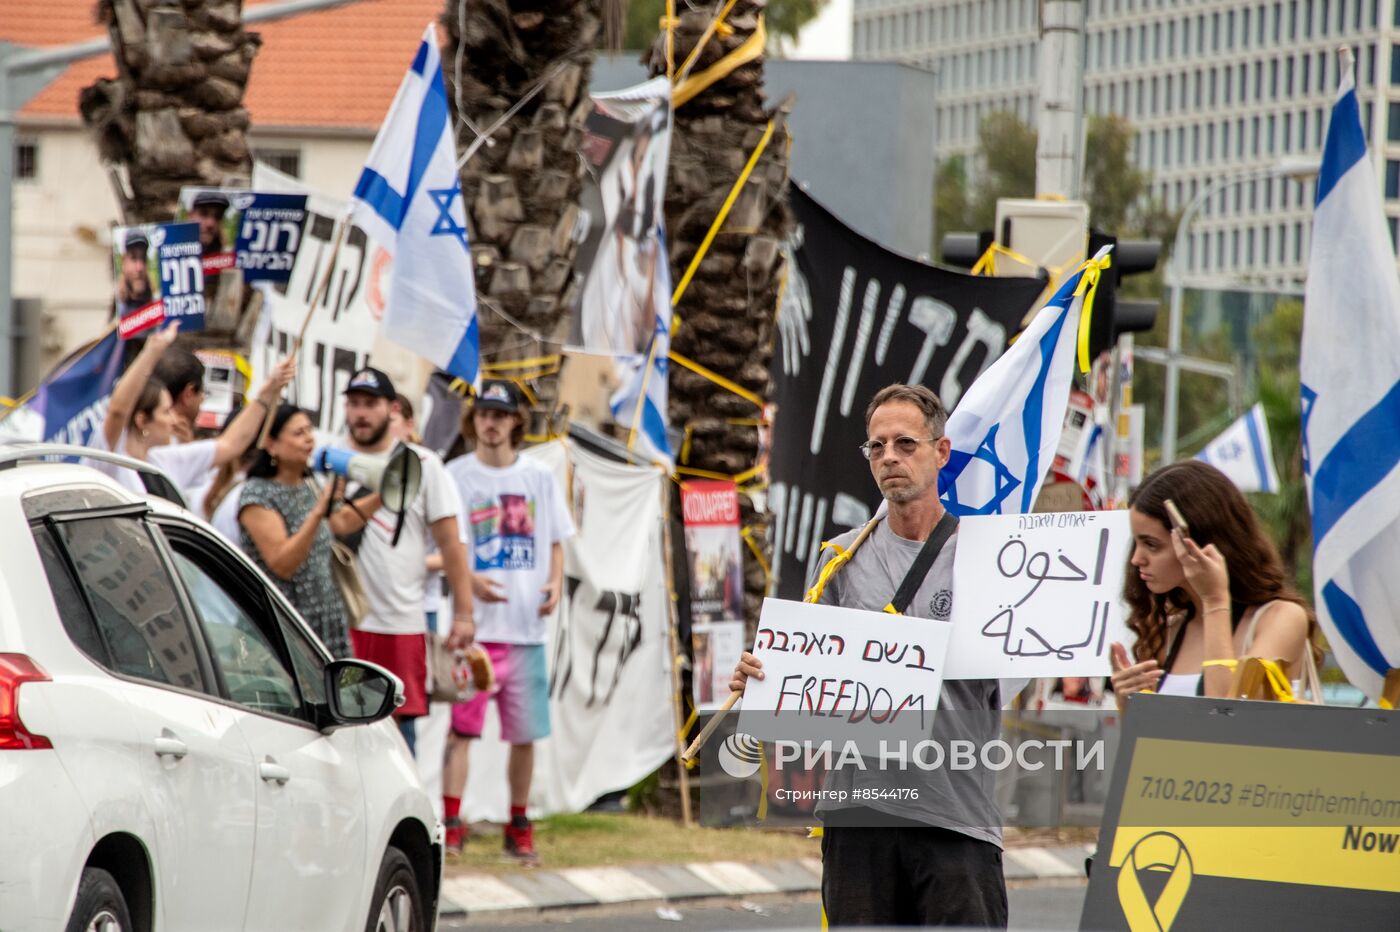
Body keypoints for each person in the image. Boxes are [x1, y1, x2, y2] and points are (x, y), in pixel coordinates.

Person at [729, 384, 1007, 928]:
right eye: (876, 447)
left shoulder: (989, 557)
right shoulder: (839, 559)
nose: (889, 458)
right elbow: (811, 700)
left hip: (957, 816)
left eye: (905, 444)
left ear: (941, 452)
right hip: (860, 818)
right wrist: (766, 681)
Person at [442, 379, 574, 863]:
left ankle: (519, 824)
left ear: (515, 421)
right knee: (461, 732)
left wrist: (556, 582)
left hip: (525, 633)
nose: (490, 423)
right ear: (473, 420)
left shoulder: (538, 476)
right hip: (476, 633)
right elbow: (442, 548)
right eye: (483, 414)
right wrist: (469, 580)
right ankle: (452, 823)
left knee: (524, 736)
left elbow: (558, 538)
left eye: (500, 414)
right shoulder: (455, 476)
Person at [339, 367, 475, 756]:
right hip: (342, 621)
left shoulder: (423, 464)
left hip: (399, 622)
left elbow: (452, 544)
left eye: (371, 404)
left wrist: (464, 614)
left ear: (391, 409)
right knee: (343, 733)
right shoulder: (331, 459)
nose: (361, 413)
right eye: (354, 404)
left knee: (396, 740)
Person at [1109, 460, 1314, 709]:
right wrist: (1126, 702)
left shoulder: (1280, 618)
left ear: (1200, 544)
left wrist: (1215, 602)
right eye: (1136, 543)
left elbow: (1225, 722)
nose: (1136, 559)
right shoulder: (1170, 627)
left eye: (1152, 545)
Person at [89, 322, 294, 504]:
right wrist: (152, 352)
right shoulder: (110, 459)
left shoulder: (162, 461)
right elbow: (118, 410)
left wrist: (269, 390)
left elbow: (230, 445)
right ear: (142, 420)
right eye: (166, 411)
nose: (173, 419)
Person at [236, 403, 379, 658]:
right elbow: (282, 563)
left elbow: (339, 523)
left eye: (309, 431)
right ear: (271, 445)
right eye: (298, 433)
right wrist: (317, 513)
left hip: (325, 618)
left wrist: (384, 494)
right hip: (288, 623)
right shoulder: (258, 494)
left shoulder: (309, 483)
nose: (309, 439)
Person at [154, 346, 206, 442]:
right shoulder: (172, 444)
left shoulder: (132, 431)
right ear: (188, 394)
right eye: (202, 391)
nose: (203, 398)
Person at [116, 231, 154, 315]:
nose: (139, 268)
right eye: (133, 258)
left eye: (143, 259)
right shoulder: (117, 310)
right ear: (123, 263)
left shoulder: (157, 309)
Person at [190, 190, 230, 257]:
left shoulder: (228, 258)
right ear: (190, 215)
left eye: (218, 217)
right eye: (204, 214)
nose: (210, 224)